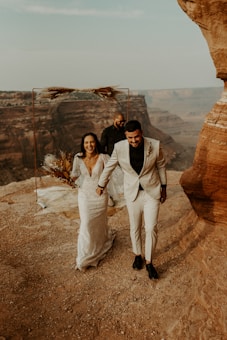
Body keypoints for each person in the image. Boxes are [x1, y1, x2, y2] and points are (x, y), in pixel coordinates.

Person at [96, 120, 167, 280]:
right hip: (132, 193)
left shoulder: (154, 145)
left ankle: (149, 262)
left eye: (136, 137)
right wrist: (101, 184)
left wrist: (164, 187)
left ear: (141, 132)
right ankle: (137, 254)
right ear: (125, 136)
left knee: (151, 228)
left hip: (151, 192)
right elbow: (110, 166)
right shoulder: (119, 147)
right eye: (130, 138)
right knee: (135, 227)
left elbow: (161, 165)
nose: (133, 141)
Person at [70, 132, 115, 271]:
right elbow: (75, 174)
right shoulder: (77, 157)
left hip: (100, 195)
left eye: (92, 142)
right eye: (86, 143)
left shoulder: (103, 157)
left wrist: (102, 186)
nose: (89, 145)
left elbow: (109, 174)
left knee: (98, 223)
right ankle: (84, 256)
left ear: (96, 143)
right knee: (86, 223)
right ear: (83, 145)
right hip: (84, 195)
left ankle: (99, 242)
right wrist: (68, 178)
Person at [100, 111, 126, 206]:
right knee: (110, 179)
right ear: (114, 120)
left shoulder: (125, 131)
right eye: (120, 121)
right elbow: (102, 146)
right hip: (111, 159)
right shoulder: (107, 132)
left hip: (124, 158)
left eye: (123, 121)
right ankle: (109, 197)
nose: (122, 123)